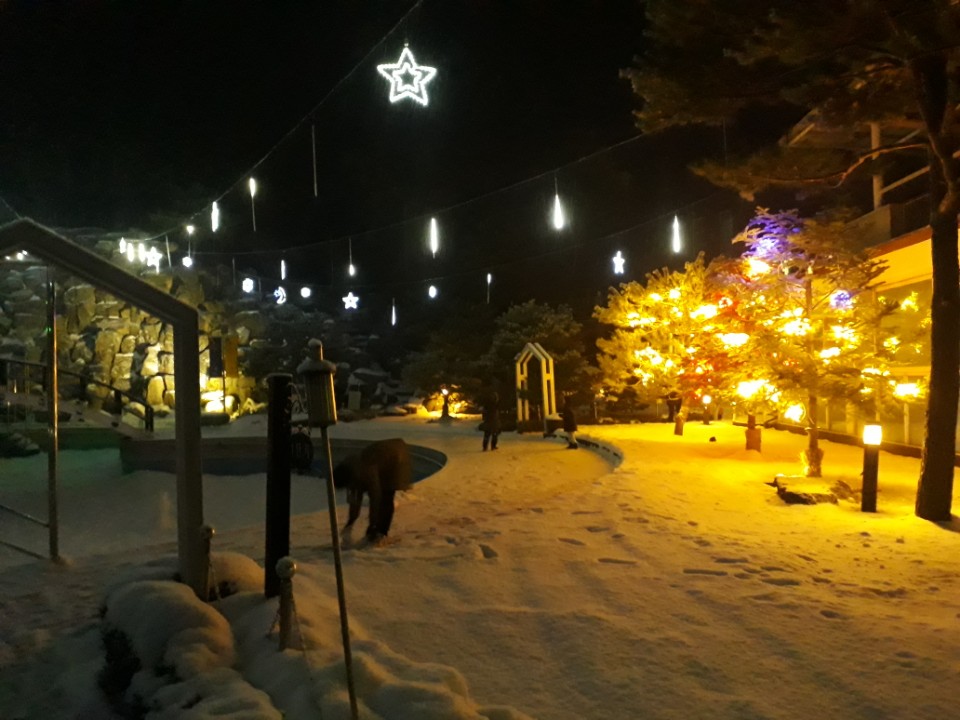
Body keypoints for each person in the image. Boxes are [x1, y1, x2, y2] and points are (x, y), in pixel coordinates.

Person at [333, 438, 412, 542]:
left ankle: (382, 533)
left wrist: (373, 525)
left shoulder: (368, 470)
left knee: (387, 494)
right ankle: (376, 531)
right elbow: (355, 498)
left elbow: (375, 497)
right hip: (380, 456)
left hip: (396, 456)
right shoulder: (349, 471)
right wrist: (350, 522)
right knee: (366, 490)